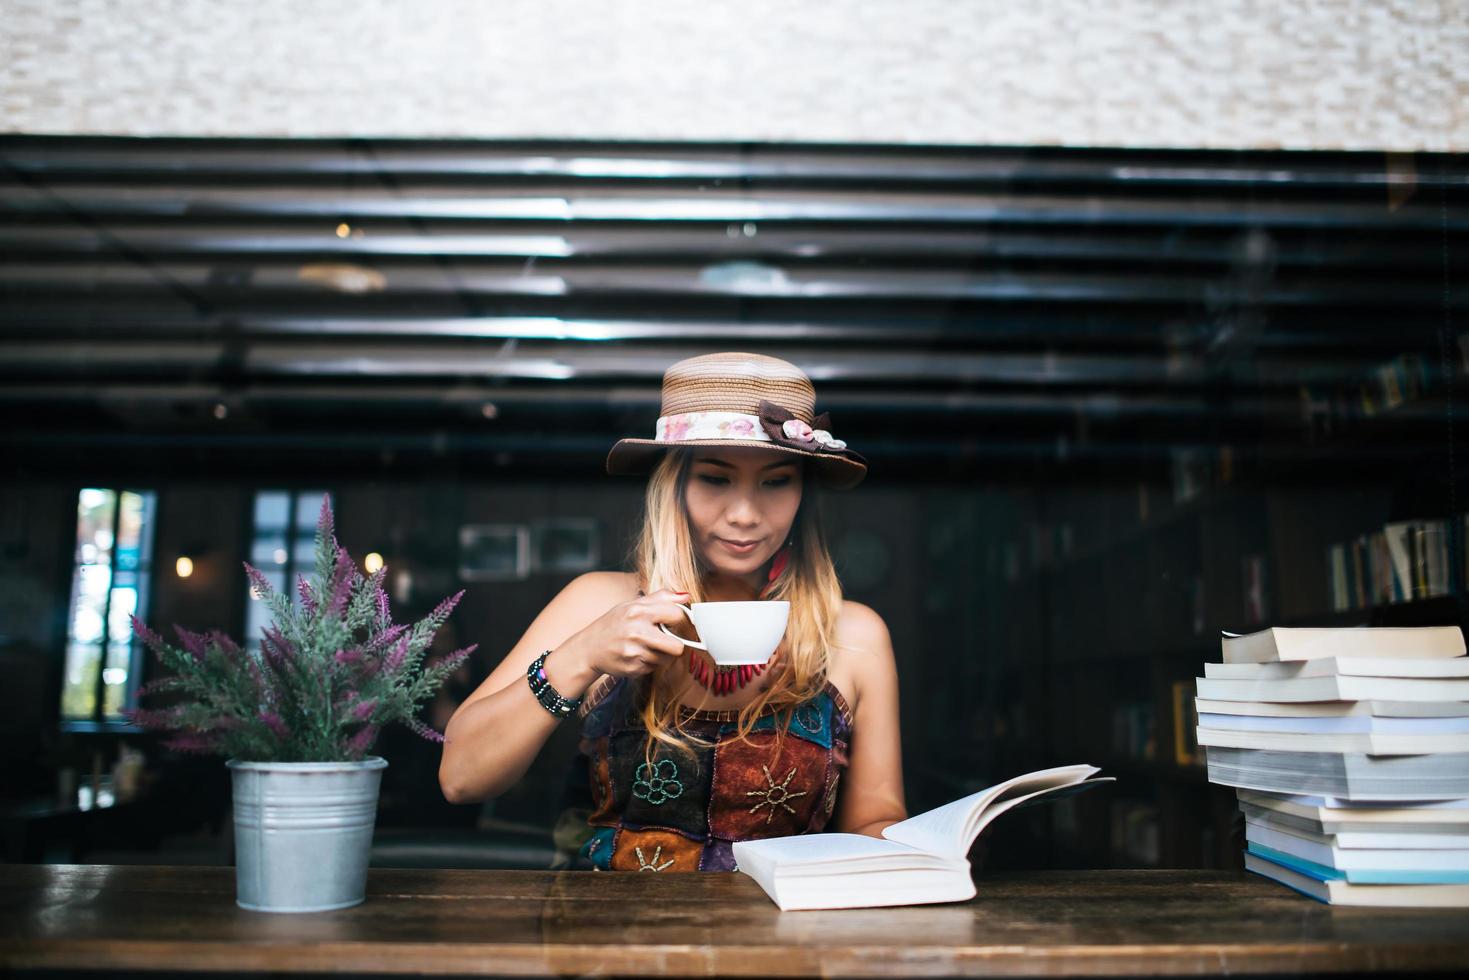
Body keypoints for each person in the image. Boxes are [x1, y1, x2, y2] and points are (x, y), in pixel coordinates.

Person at [439, 352, 906, 871]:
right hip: (609, 941)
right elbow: (462, 778)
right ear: (674, 484)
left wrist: (920, 852)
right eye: (715, 478)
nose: (745, 515)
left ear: (803, 492)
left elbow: (874, 820)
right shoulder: (598, 603)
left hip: (782, 941)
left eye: (775, 482)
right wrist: (581, 657)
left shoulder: (852, 633)